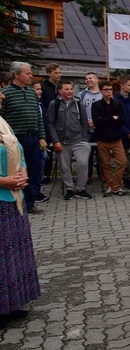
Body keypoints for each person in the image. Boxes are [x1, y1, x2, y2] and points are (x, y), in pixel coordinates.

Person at [0, 89, 41, 327]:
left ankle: (10, 303)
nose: (3, 96)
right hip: (3, 192)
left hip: (12, 199)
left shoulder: (3, 122)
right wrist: (3, 181)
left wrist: (22, 171)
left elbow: (18, 151)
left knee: (11, 254)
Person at [0, 62, 48, 214]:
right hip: (14, 140)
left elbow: (38, 117)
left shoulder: (32, 93)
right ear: (16, 75)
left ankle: (30, 202)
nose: (31, 76)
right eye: (27, 73)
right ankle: (16, 200)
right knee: (16, 171)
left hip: (33, 137)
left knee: (33, 171)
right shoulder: (6, 93)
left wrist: (41, 136)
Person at [47, 80, 92, 200]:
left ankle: (80, 188)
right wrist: (55, 141)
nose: (69, 91)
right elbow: (50, 124)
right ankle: (69, 189)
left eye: (71, 89)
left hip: (78, 140)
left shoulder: (78, 103)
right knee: (65, 167)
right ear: (60, 91)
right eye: (66, 89)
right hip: (62, 141)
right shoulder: (54, 104)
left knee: (82, 163)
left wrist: (85, 139)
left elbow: (84, 123)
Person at [91, 82, 128, 197]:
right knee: (105, 164)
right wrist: (112, 118)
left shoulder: (118, 104)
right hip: (102, 139)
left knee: (122, 162)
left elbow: (122, 120)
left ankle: (116, 185)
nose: (108, 92)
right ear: (101, 91)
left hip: (116, 139)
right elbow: (97, 122)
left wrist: (106, 120)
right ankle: (109, 185)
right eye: (106, 90)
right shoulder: (96, 105)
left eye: (110, 89)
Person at [79, 72, 102, 183]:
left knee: (101, 153)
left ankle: (102, 175)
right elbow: (78, 111)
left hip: (100, 128)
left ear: (97, 80)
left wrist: (98, 122)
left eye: (91, 78)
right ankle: (87, 175)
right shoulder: (82, 94)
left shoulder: (102, 94)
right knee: (87, 154)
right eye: (86, 78)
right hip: (87, 129)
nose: (88, 80)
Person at [115, 75, 130, 189]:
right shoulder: (115, 100)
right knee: (123, 160)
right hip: (122, 134)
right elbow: (116, 120)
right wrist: (127, 132)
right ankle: (125, 179)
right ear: (122, 85)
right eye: (129, 85)